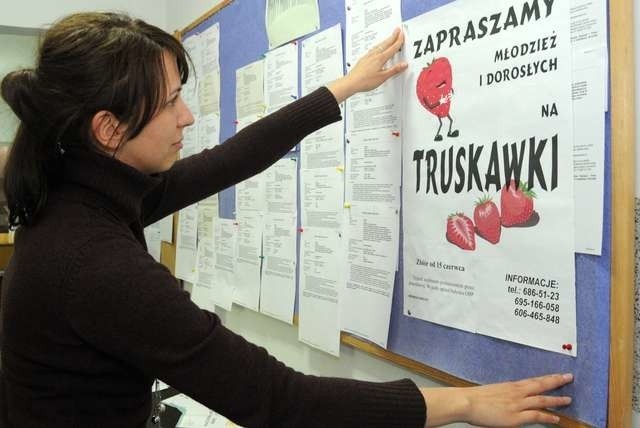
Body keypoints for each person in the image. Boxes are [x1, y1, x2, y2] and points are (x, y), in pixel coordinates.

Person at [0, 12, 572, 428]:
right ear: (108, 129)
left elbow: (230, 160)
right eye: (171, 101)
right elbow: (280, 402)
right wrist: (464, 403)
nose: (189, 115)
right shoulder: (93, 261)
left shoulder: (81, 193)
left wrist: (342, 87)